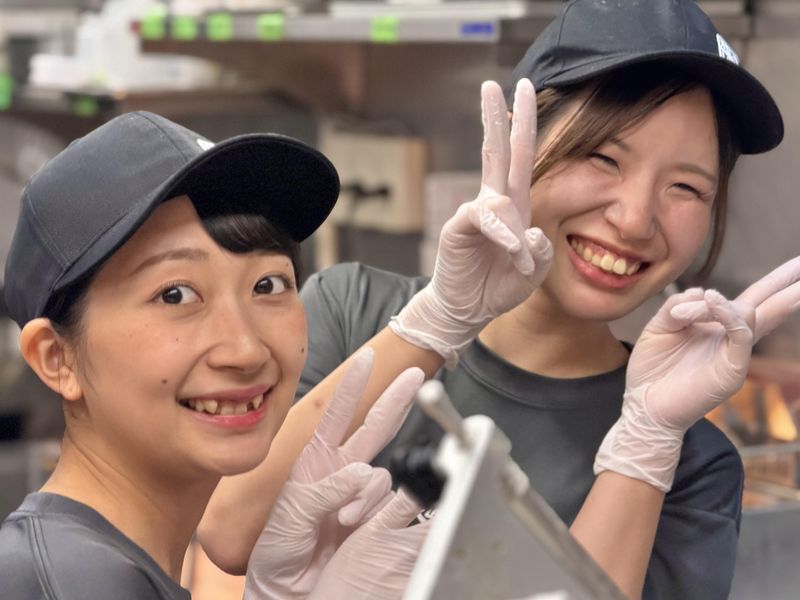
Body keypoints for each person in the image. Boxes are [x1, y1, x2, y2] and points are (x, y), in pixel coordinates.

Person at [201, 1, 800, 599]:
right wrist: (437, 321)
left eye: (687, 187)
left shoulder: (690, 463)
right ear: (517, 140)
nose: (635, 218)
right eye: (604, 157)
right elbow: (226, 534)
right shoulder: (352, 310)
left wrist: (647, 439)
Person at [0, 112, 428, 599]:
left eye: (267, 285)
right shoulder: (73, 584)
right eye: (176, 295)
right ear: (57, 358)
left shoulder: (96, 567)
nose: (245, 350)